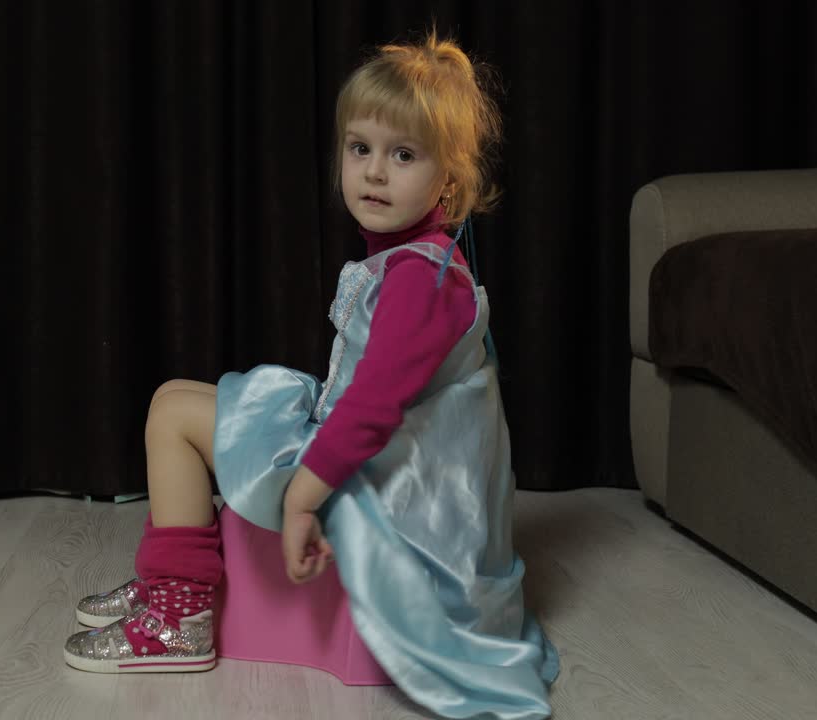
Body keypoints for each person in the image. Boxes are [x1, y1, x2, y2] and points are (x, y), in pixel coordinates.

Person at [63, 29, 559, 720]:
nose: (374, 173)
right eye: (361, 149)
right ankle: (177, 576)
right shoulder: (415, 260)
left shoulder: (421, 281)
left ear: (449, 179)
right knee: (180, 395)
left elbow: (372, 410)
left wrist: (301, 499)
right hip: (384, 459)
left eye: (403, 155)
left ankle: (180, 614)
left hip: (389, 493)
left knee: (172, 418)